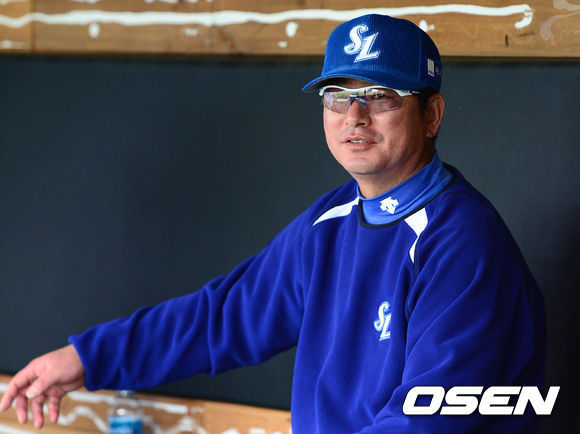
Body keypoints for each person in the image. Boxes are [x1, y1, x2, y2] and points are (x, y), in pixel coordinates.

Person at [0, 14, 545, 433]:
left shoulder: (462, 242)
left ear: (432, 115)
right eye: (338, 97)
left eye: (380, 97)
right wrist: (87, 357)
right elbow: (221, 319)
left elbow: (426, 421)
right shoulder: (329, 224)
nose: (354, 116)